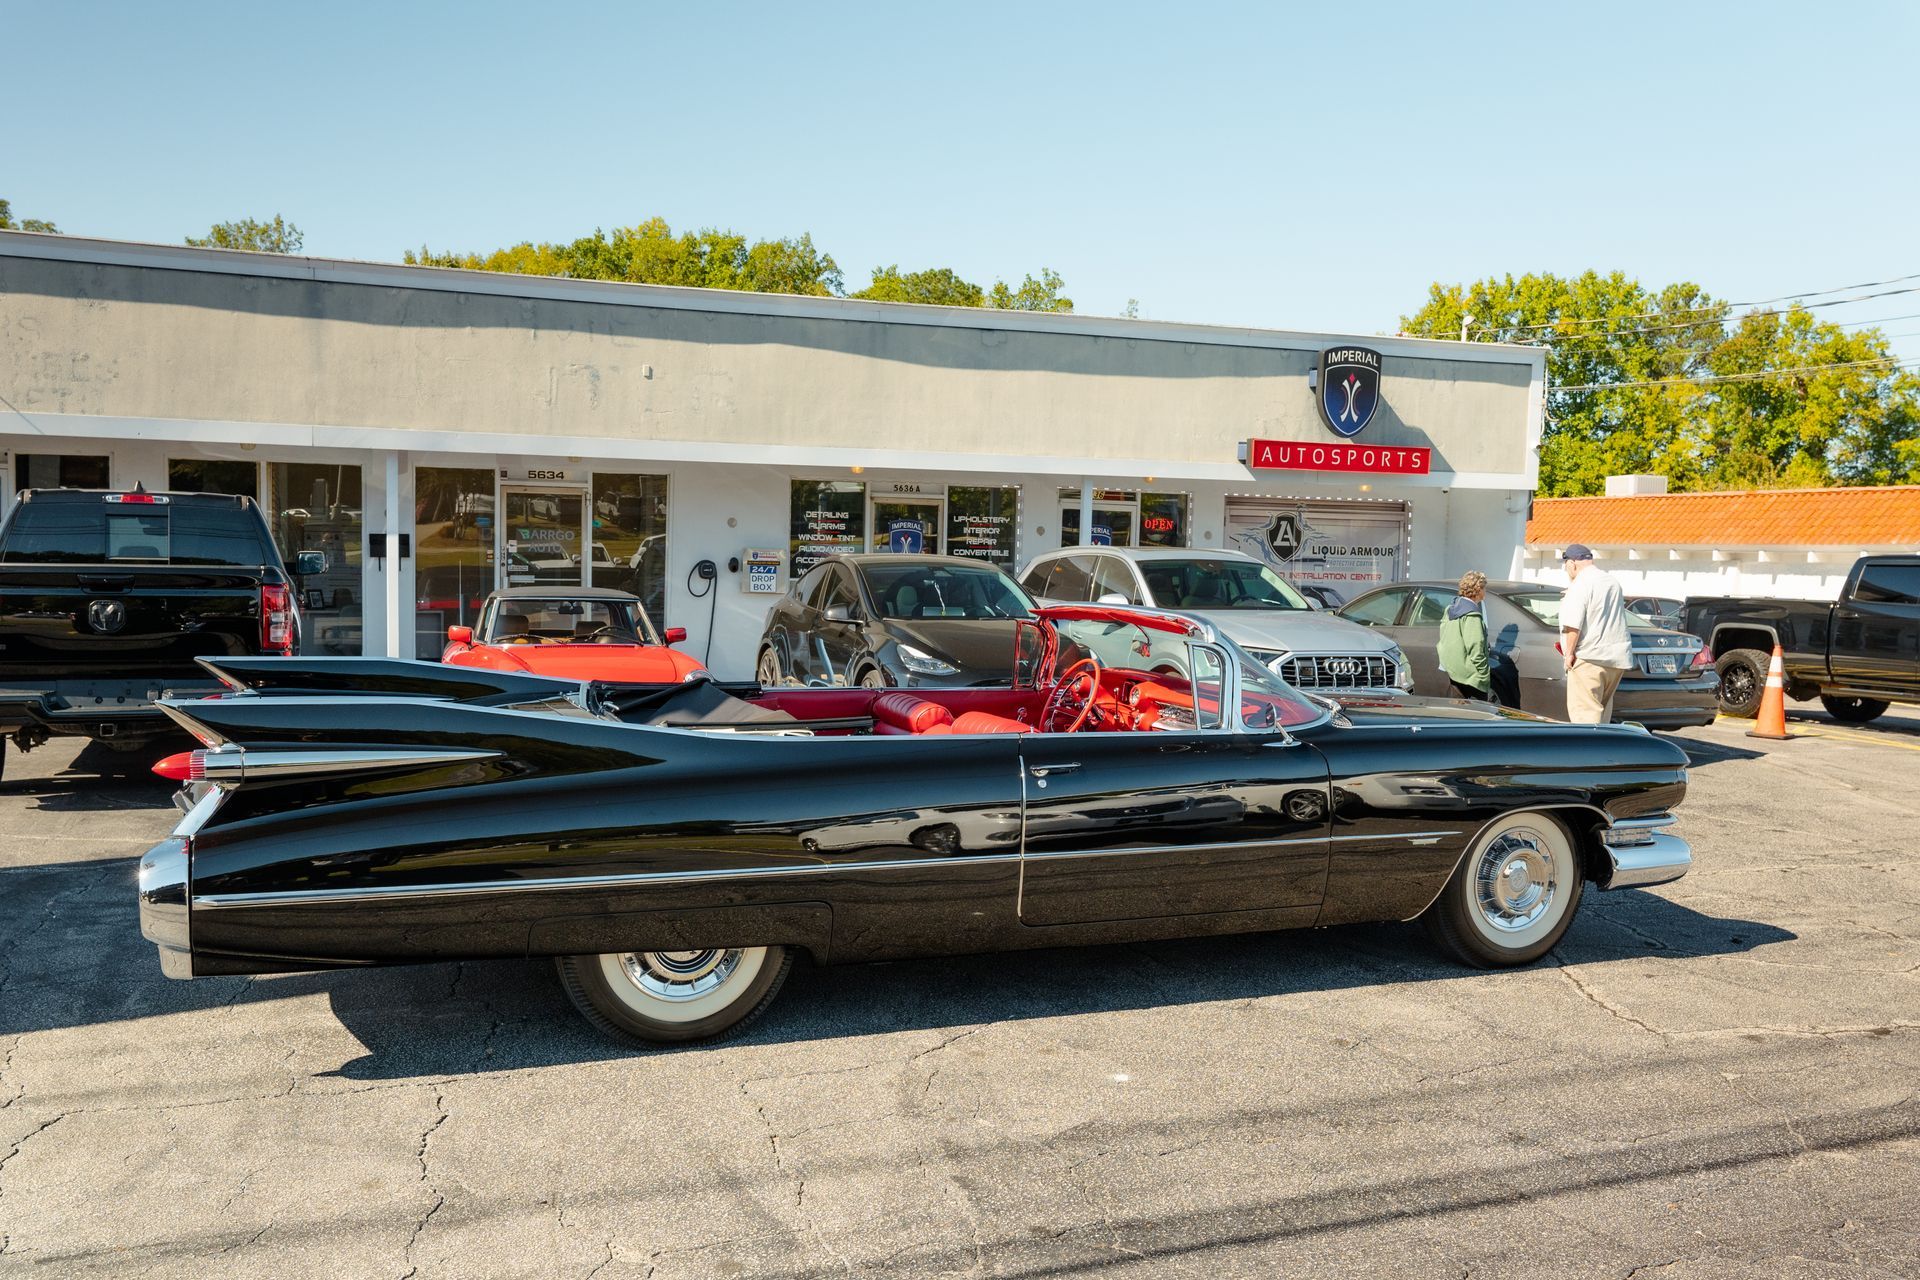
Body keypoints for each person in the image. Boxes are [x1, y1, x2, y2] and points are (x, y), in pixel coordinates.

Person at [1558, 544, 1633, 724]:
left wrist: (1569, 654)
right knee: (1602, 715)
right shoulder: (1611, 581)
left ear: (1572, 563)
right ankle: (1604, 750)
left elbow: (1573, 625)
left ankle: (1587, 752)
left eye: (1566, 564)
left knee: (1584, 717)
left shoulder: (1580, 584)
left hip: (1589, 658)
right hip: (1616, 660)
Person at [1438, 570, 1491, 702]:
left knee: (1458, 715)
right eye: (1484, 588)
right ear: (1478, 590)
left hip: (1454, 672)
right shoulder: (1472, 616)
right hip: (1472, 678)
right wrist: (1484, 675)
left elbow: (1443, 638)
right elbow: (1476, 650)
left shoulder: (1450, 609)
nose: (1485, 592)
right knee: (1477, 717)